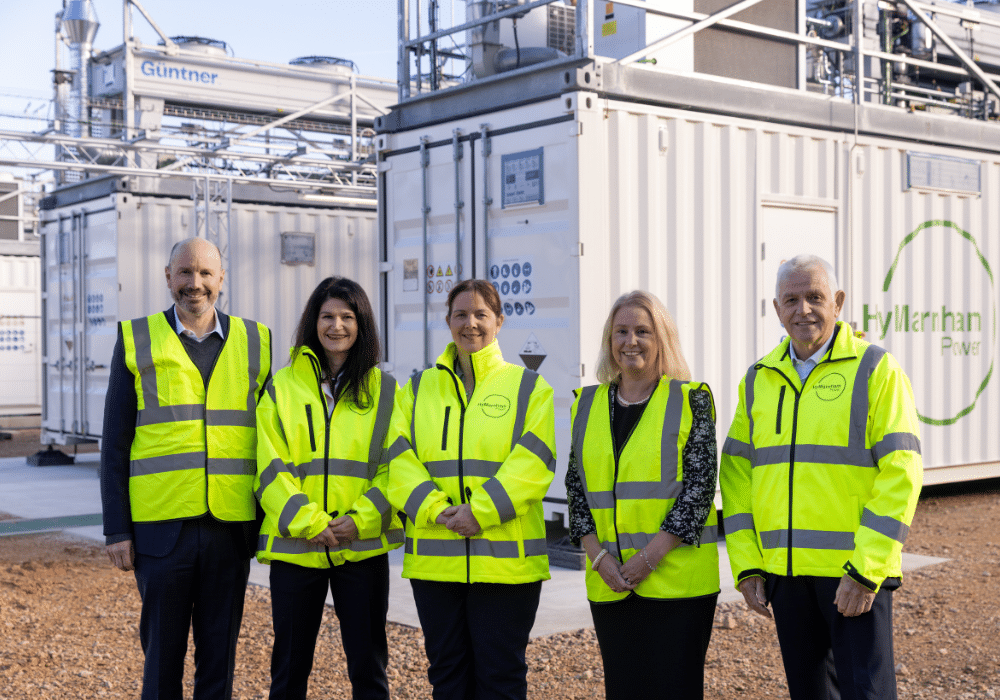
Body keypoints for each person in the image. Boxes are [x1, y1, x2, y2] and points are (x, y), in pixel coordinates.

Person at [720, 254, 923, 700]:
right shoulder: (758, 379)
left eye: (815, 297)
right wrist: (748, 564)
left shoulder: (875, 370)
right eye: (791, 299)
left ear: (839, 303)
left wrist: (866, 570)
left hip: (852, 577)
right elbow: (736, 475)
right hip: (786, 577)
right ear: (776, 309)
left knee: (866, 694)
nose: (803, 309)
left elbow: (902, 473)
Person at [100, 237, 272, 700]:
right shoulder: (137, 338)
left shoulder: (258, 341)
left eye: (205, 274)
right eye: (184, 273)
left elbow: (274, 439)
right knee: (161, 659)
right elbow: (115, 442)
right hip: (160, 531)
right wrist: (117, 529)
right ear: (168, 277)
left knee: (220, 659)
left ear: (221, 279)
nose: (194, 284)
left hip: (230, 528)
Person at [386, 278, 556, 700]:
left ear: (499, 321)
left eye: (481, 314)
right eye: (461, 314)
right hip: (436, 566)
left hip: (506, 567)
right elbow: (396, 458)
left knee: (501, 677)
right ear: (447, 321)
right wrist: (435, 508)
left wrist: (479, 511)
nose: (471, 323)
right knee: (447, 677)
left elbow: (534, 461)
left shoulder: (530, 387)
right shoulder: (419, 388)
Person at [565, 290, 720, 700]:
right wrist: (599, 560)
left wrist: (647, 559)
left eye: (642, 331)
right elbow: (577, 493)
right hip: (611, 582)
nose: (630, 341)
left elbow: (700, 492)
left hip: (677, 586)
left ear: (661, 338)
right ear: (609, 340)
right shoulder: (585, 404)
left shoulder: (692, 400)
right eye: (621, 331)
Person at [255, 277, 402, 700]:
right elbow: (269, 464)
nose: (336, 326)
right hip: (297, 548)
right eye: (327, 316)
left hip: (362, 548)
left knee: (369, 668)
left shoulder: (387, 391)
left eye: (347, 317)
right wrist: (309, 522)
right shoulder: (282, 386)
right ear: (312, 323)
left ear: (362, 325)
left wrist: (359, 521)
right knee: (288, 670)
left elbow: (397, 467)